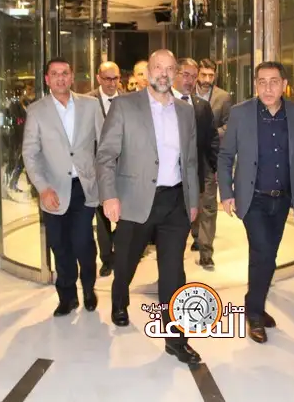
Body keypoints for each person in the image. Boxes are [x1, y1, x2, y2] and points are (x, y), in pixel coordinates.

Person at [96, 49, 201, 364]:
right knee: (125, 262)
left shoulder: (185, 111)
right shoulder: (125, 106)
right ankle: (119, 301)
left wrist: (193, 200)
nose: (164, 73)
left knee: (173, 272)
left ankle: (176, 338)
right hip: (135, 199)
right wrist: (109, 195)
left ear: (175, 73)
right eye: (158, 67)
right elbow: (106, 155)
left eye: (170, 68)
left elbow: (191, 160)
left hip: (175, 202)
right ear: (148, 71)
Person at [217, 61, 294, 344]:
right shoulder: (240, 113)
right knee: (262, 252)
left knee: (268, 255)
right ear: (255, 84)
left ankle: (254, 302)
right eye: (262, 82)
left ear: (284, 84)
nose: (267, 88)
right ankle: (254, 313)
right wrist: (227, 192)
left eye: (274, 81)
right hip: (252, 198)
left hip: (282, 199)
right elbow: (226, 156)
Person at [22, 58, 104, 316]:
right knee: (60, 246)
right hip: (53, 190)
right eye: (55, 74)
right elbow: (30, 153)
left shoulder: (91, 106)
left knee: (83, 243)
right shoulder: (36, 111)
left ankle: (89, 288)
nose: (60, 78)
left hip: (84, 187)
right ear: (47, 79)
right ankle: (67, 297)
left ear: (72, 76)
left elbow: (105, 145)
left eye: (65, 73)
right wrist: (43, 188)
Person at [172, 58, 219, 268]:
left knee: (207, 209)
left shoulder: (202, 106)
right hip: (173, 172)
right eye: (186, 75)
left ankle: (206, 252)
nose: (190, 80)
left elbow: (212, 138)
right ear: (175, 74)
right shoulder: (163, 103)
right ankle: (173, 256)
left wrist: (216, 167)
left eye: (193, 76)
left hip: (202, 167)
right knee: (178, 215)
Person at [191, 58, 232, 254]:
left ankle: (206, 248)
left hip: (210, 156)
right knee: (192, 199)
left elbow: (229, 124)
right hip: (189, 156)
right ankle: (196, 234)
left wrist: (212, 133)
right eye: (203, 75)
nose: (207, 79)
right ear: (197, 74)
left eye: (211, 75)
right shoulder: (186, 94)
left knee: (208, 202)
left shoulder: (223, 97)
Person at [88, 61, 121, 276]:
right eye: (107, 78)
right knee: (101, 216)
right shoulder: (87, 101)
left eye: (115, 78)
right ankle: (107, 258)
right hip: (97, 167)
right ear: (98, 78)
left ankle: (121, 252)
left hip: (124, 167)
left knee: (124, 214)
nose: (111, 83)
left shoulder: (129, 100)